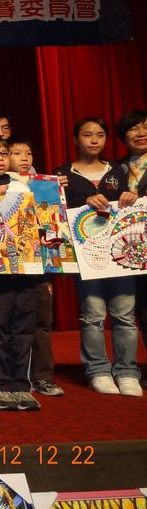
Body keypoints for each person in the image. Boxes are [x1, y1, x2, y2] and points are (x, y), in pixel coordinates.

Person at [0, 135, 57, 411]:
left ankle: (20, 385)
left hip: (26, 269)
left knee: (24, 327)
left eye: (3, 154)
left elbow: (39, 223)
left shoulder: (23, 188)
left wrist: (44, 237)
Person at [55, 115, 141, 396]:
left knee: (124, 314)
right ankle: (98, 371)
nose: (94, 140)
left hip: (121, 254)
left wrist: (129, 197)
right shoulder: (62, 174)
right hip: (87, 256)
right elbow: (53, 211)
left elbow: (131, 203)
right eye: (87, 134)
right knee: (93, 314)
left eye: (100, 135)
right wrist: (80, 200)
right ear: (75, 139)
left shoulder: (118, 169)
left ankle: (127, 372)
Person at [6, 136, 63, 398]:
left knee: (42, 321)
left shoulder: (46, 185)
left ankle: (42, 376)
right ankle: (14, 377)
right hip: (11, 264)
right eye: (16, 153)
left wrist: (57, 190)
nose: (24, 158)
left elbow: (54, 223)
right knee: (12, 322)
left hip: (41, 264)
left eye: (28, 153)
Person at [114, 110, 147, 391]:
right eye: (134, 129)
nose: (141, 133)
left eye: (145, 127)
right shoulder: (116, 170)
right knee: (141, 310)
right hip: (130, 251)